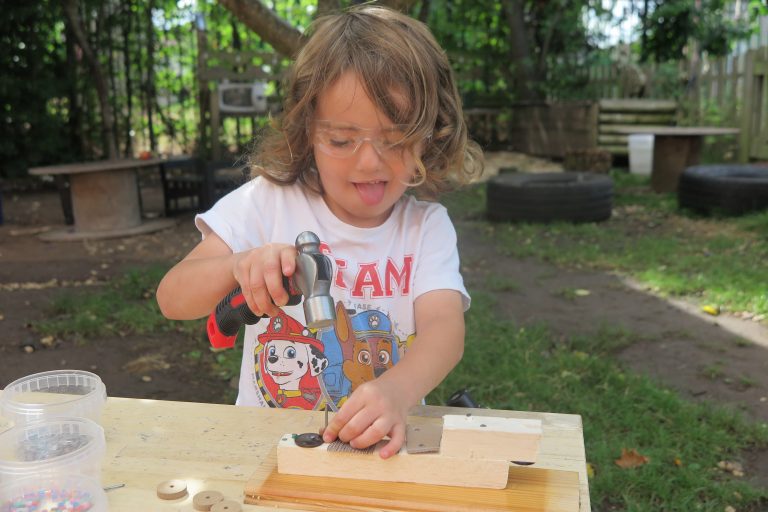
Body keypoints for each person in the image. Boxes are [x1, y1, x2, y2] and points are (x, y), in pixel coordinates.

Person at [156, 4, 482, 459]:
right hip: (266, 446)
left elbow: (445, 328)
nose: (369, 162)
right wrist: (238, 266)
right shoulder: (267, 202)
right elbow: (172, 297)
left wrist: (398, 391)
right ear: (308, 131)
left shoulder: (425, 227)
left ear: (430, 133)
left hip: (381, 446)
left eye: (395, 138)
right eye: (342, 140)